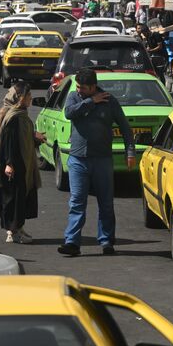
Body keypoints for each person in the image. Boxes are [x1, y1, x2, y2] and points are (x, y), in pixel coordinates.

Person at [58, 68, 135, 257]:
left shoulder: (110, 101)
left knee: (106, 203)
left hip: (102, 160)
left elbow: (125, 128)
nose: (79, 90)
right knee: (77, 201)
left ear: (93, 86)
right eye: (77, 87)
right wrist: (90, 101)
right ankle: (72, 243)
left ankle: (107, 241)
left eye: (83, 88)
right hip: (77, 159)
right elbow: (69, 113)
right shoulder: (75, 98)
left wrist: (130, 152)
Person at [0, 81, 42, 244]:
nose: (31, 98)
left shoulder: (21, 114)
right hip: (15, 164)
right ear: (21, 98)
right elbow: (9, 142)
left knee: (20, 198)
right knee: (13, 199)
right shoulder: (14, 117)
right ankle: (13, 232)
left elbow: (23, 139)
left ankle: (17, 229)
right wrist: (9, 163)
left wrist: (35, 139)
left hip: (22, 163)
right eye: (29, 96)